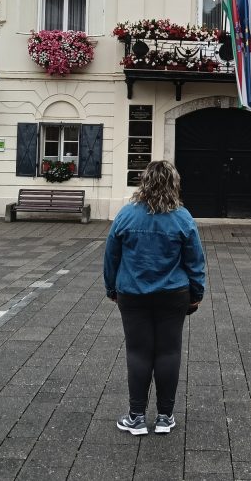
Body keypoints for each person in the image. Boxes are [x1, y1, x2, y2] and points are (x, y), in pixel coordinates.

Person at [103, 160, 206, 435]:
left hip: (132, 292)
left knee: (138, 352)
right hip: (173, 293)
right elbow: (195, 261)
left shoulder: (126, 215)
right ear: (174, 184)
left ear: (144, 182)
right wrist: (196, 294)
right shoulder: (182, 217)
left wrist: (112, 289)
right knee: (168, 352)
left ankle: (136, 417)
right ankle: (164, 417)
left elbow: (111, 256)